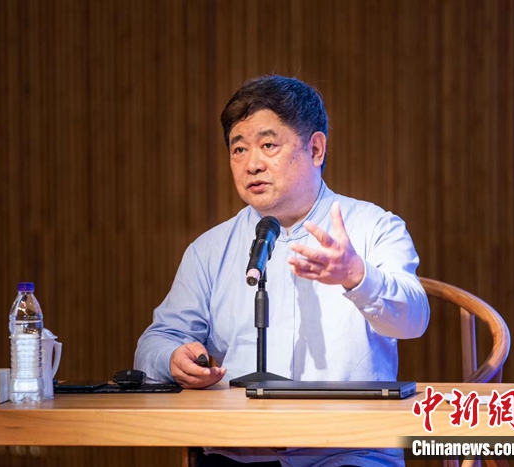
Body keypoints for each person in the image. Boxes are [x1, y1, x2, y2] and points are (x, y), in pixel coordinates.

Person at [135, 75, 430, 467]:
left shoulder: (373, 227)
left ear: (316, 149)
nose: (252, 164)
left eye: (268, 145)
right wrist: (173, 358)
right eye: (238, 149)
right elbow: (154, 343)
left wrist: (357, 275)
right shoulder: (209, 250)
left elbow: (414, 319)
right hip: (237, 454)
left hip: (349, 452)